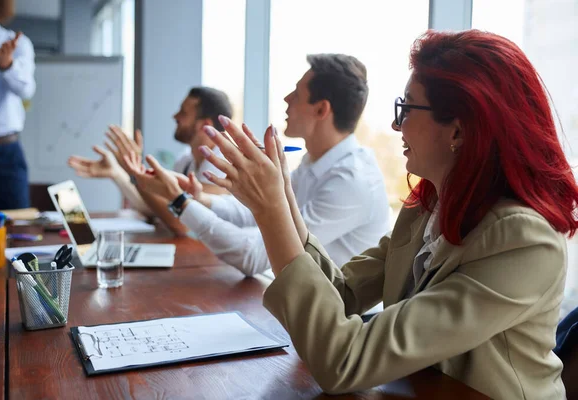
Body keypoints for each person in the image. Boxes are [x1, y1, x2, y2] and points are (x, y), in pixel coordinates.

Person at [194, 30, 578, 398]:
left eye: (407, 108)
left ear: (458, 132)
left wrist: (271, 210)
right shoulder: (424, 211)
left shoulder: (523, 240)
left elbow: (343, 362)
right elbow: (341, 295)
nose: (396, 124)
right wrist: (282, 199)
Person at [124, 54, 390, 276]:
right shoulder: (313, 164)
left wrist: (180, 202)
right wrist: (201, 200)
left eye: (296, 94)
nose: (286, 99)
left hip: (342, 323)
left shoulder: (351, 180)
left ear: (321, 110)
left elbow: (253, 255)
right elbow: (257, 213)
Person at [68, 87, 230, 234]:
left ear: (205, 125)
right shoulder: (186, 160)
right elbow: (154, 208)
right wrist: (117, 173)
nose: (175, 116)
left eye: (183, 113)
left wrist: (135, 171)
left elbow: (182, 225)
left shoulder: (221, 166)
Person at [0, 0, 35, 209]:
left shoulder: (16, 43)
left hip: (4, 154)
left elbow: (27, 89)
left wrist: (7, 65)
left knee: (16, 228)